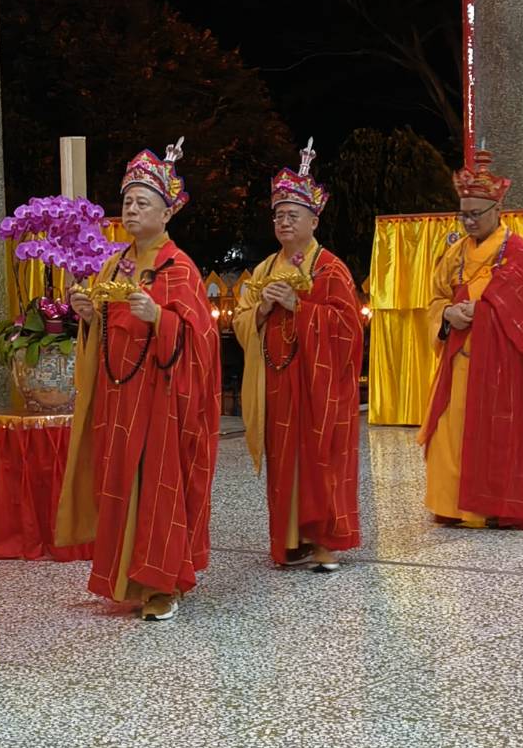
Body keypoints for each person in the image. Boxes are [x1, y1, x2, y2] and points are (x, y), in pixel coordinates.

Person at [56, 141, 221, 621]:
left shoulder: (179, 269)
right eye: (127, 200)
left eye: (142, 202)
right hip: (120, 401)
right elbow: (108, 333)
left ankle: (163, 585)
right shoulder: (115, 266)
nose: (130, 209)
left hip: (162, 403)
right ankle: (129, 578)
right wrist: (90, 317)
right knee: (122, 488)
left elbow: (203, 340)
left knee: (159, 489)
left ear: (166, 214)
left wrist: (160, 319)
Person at [233, 140, 362, 572]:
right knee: (285, 461)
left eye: (293, 215)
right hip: (277, 383)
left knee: (321, 459)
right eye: (278, 215)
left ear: (314, 220)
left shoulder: (330, 268)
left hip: (319, 386)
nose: (284, 222)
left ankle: (323, 541)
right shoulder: (265, 269)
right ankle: (290, 539)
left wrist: (299, 307)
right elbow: (240, 319)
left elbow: (348, 329)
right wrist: (262, 309)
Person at [418, 148, 523, 529]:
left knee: (495, 436)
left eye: (475, 214)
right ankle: (451, 505)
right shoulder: (455, 253)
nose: (468, 222)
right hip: (459, 363)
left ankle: (493, 508)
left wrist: (480, 313)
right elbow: (435, 299)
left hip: (501, 371)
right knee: (449, 433)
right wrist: (447, 315)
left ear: (498, 210)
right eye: (463, 214)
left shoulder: (518, 254)